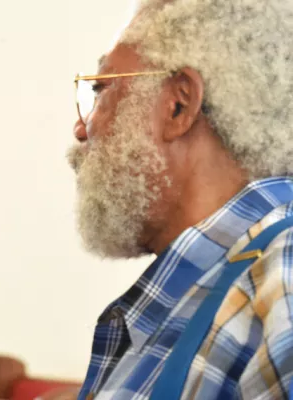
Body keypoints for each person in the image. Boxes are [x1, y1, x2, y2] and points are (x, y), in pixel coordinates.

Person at [69, 0, 293, 398]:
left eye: (102, 88)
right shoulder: (209, 287)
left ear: (178, 105)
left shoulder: (284, 277)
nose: (81, 129)